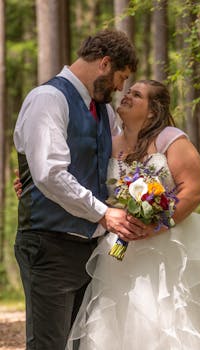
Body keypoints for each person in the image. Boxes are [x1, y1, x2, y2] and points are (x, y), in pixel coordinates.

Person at [65, 80, 200, 350]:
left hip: (171, 246)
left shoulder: (170, 139)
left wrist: (156, 227)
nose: (127, 96)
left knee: (169, 319)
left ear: (153, 111)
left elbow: (192, 192)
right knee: (120, 320)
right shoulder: (109, 142)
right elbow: (79, 179)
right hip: (121, 251)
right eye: (128, 92)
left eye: (136, 95)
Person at [13, 29, 148, 350]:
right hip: (50, 245)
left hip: (92, 252)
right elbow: (50, 174)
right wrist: (104, 214)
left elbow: (114, 168)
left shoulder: (104, 112)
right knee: (50, 345)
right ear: (104, 63)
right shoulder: (48, 99)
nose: (120, 88)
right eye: (121, 77)